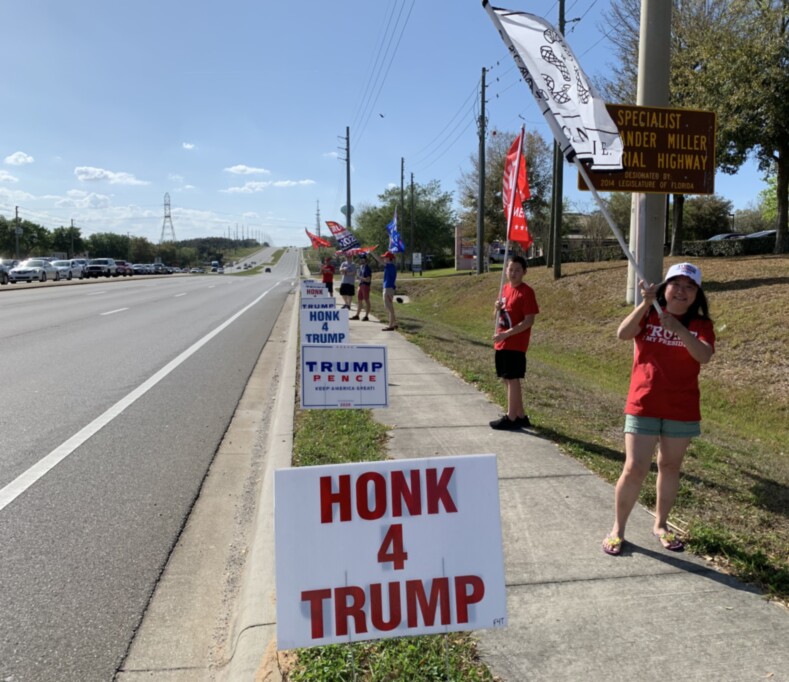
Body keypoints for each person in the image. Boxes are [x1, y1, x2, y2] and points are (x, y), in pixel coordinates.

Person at [602, 262, 715, 556]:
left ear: (697, 295)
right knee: (635, 467)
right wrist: (645, 304)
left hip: (682, 407)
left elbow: (703, 356)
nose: (681, 291)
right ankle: (618, 529)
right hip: (644, 403)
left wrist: (678, 328)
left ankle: (661, 524)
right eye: (675, 284)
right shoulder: (649, 314)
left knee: (669, 466)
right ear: (664, 288)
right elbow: (623, 333)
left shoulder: (702, 325)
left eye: (690, 287)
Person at [489, 255, 539, 430]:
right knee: (506, 378)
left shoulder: (526, 292)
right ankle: (520, 415)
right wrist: (496, 309)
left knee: (513, 378)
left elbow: (529, 320)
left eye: (518, 270)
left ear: (524, 272)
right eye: (510, 269)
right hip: (501, 341)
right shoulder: (504, 289)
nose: (513, 273)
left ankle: (510, 417)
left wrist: (508, 334)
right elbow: (497, 317)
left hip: (515, 343)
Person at [351, 253, 372, 321]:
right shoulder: (361, 267)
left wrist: (360, 278)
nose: (361, 260)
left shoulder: (367, 268)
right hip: (361, 285)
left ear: (365, 260)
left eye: (362, 259)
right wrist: (359, 279)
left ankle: (366, 316)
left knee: (366, 300)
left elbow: (368, 280)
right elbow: (360, 278)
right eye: (361, 259)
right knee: (359, 300)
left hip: (365, 285)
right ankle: (357, 315)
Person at [381, 251, 398, 331]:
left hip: (388, 288)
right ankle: (394, 323)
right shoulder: (391, 266)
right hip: (389, 288)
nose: (383, 258)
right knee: (388, 306)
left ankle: (390, 326)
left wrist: (371, 252)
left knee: (389, 307)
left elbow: (379, 261)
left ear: (388, 258)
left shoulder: (389, 266)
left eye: (385, 257)